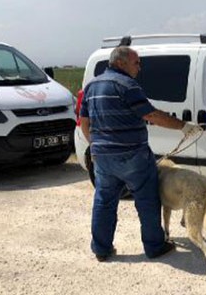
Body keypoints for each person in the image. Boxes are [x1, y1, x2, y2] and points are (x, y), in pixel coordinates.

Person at [79, 46, 196, 261]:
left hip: (103, 157)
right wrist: (183, 126)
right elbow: (151, 114)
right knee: (147, 199)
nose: (139, 68)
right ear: (121, 62)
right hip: (133, 156)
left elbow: (84, 122)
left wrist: (95, 145)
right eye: (136, 63)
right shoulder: (127, 85)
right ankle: (154, 246)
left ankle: (101, 249)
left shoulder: (91, 86)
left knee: (104, 201)